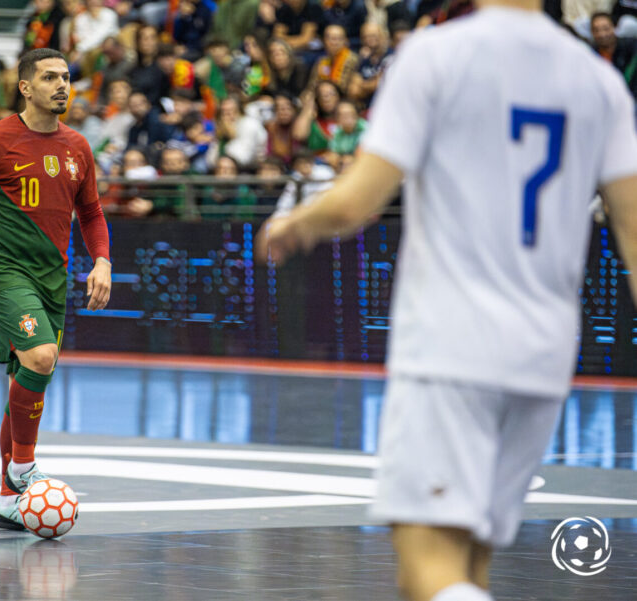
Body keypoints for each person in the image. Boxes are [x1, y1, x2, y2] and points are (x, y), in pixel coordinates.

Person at [256, 1, 637, 599]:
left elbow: (358, 201)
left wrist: (295, 222)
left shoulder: (437, 55)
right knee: (470, 559)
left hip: (452, 341)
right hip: (545, 352)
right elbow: (633, 230)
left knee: (426, 565)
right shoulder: (599, 80)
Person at [0, 48, 112, 531]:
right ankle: (23, 470)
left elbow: (91, 214)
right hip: (2, 272)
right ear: (25, 87)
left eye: (67, 77)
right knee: (39, 358)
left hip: (53, 281)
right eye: (50, 77)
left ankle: (10, 502)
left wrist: (102, 261)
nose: (62, 85)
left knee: (27, 380)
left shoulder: (78, 147)